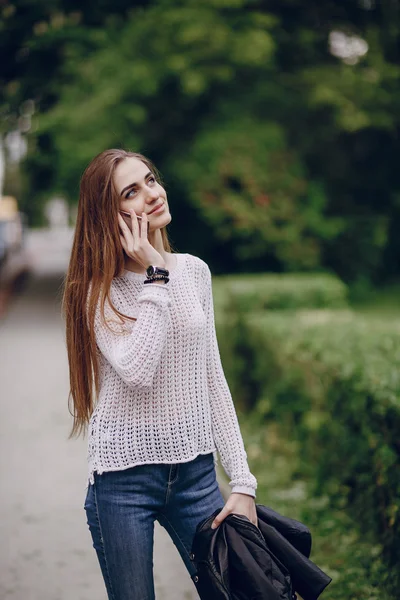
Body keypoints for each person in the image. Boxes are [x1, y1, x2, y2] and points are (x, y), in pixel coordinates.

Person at [63, 148, 258, 599]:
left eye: (150, 180)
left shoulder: (195, 272)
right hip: (122, 481)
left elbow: (212, 378)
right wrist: (155, 276)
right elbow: (136, 369)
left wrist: (243, 481)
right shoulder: (95, 291)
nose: (151, 194)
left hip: (196, 474)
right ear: (109, 216)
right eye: (131, 191)